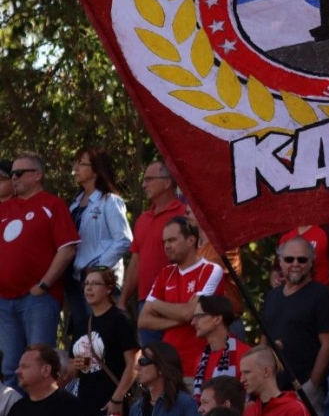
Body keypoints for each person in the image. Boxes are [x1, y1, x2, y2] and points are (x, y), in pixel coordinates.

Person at [0, 152, 79, 387]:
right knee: (9, 367)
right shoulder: (4, 208)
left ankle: (43, 405)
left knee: (39, 365)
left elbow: (67, 249)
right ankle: (15, 406)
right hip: (4, 301)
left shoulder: (52, 204)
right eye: (11, 174)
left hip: (38, 299)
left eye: (19, 173)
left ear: (37, 175)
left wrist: (44, 284)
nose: (14, 178)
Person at [138, 217, 223, 379]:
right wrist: (184, 317)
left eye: (172, 240)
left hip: (199, 367)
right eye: (164, 242)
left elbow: (188, 313)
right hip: (168, 369)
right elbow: (143, 320)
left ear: (191, 240)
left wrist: (156, 304)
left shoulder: (211, 270)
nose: (166, 246)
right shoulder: (165, 273)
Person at [260, 238, 329, 414]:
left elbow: (327, 345)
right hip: (273, 389)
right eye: (289, 259)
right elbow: (264, 341)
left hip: (305, 390)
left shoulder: (323, 296)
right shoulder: (272, 297)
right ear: (280, 262)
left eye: (302, 259)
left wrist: (312, 385)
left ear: (311, 263)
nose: (295, 264)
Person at [65, 148, 133, 335]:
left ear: (96, 170)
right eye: (75, 163)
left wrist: (97, 268)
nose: (75, 168)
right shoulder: (74, 204)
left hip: (102, 282)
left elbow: (124, 240)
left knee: (101, 335)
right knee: (83, 337)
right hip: (75, 280)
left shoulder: (110, 200)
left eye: (81, 164)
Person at [120, 160, 187, 346]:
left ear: (167, 182)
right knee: (151, 358)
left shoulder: (184, 215)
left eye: (149, 179)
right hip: (147, 302)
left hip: (176, 301)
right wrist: (122, 300)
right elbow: (136, 261)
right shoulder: (143, 219)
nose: (144, 185)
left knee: (177, 356)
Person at [68, 266, 140, 416]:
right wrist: (75, 365)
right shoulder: (81, 325)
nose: (89, 288)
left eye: (95, 283)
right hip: (85, 403)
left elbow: (134, 362)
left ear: (108, 289)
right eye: (86, 284)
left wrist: (117, 399)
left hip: (112, 403)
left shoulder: (120, 320)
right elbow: (71, 370)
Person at [183, 200, 245, 338]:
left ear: (203, 212)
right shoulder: (193, 246)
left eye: (189, 211)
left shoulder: (225, 243)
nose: (185, 214)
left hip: (226, 324)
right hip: (201, 324)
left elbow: (202, 275)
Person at [190, 295, 250, 401]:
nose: (193, 322)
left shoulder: (245, 354)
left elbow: (253, 399)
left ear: (217, 319)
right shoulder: (200, 361)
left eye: (199, 316)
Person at [130, 342, 199, 416]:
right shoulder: (136, 407)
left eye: (143, 361)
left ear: (161, 367)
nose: (136, 367)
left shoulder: (185, 404)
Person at [9, 344, 81, 414]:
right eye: (19, 367)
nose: (17, 371)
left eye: (24, 366)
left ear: (46, 370)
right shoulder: (18, 408)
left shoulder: (70, 407)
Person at [240, 346, 309, 416]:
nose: (241, 380)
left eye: (247, 372)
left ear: (266, 372)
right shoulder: (249, 412)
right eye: (242, 373)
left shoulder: (295, 410)